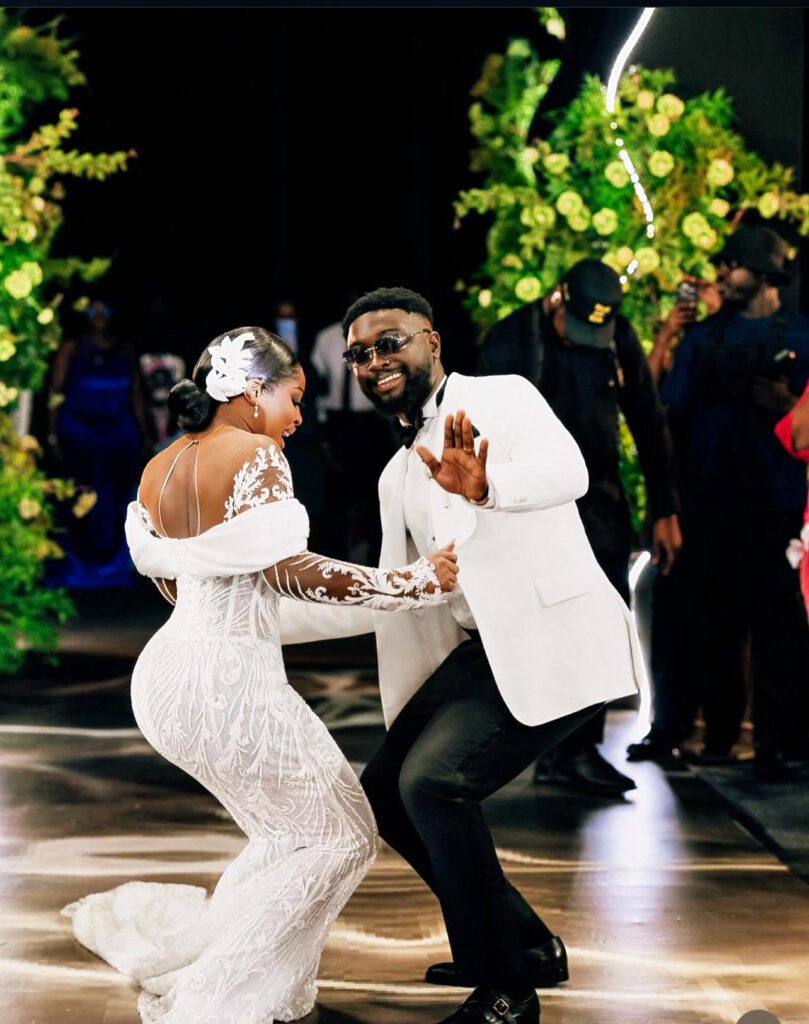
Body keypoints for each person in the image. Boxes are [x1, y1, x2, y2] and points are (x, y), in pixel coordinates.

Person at [61, 326, 459, 1024]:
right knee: (342, 838)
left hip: (167, 677)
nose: (299, 415)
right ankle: (214, 997)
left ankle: (243, 983)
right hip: (229, 684)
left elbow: (181, 588)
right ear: (252, 390)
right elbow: (289, 570)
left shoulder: (159, 466)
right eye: (292, 397)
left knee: (288, 836)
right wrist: (410, 584)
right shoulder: (257, 454)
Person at [280, 287, 644, 1024]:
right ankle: (524, 944)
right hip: (480, 652)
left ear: (432, 341)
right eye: (358, 354)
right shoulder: (394, 474)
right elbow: (397, 593)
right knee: (385, 794)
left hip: (556, 638)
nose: (374, 361)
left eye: (389, 342)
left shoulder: (502, 396)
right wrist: (255, 623)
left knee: (435, 785)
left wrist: (487, 485)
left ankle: (506, 989)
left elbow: (569, 472)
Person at [477, 260, 681, 797]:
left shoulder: (617, 333)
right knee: (542, 631)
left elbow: (647, 416)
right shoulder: (510, 341)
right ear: (557, 298)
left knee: (599, 627)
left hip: (600, 505)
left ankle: (580, 750)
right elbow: (479, 435)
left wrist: (665, 509)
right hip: (533, 509)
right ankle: (545, 751)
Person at [659, 225, 809, 779]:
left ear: (765, 274)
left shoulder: (803, 334)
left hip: (778, 504)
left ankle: (779, 743)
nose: (721, 273)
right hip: (711, 503)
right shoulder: (703, 337)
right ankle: (720, 735)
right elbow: (672, 411)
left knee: (780, 626)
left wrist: (788, 402)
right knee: (717, 623)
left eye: (732, 264)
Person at [45, 299, 153, 588]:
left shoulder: (125, 349)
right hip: (80, 432)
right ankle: (79, 568)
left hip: (118, 433)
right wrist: (52, 434)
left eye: (105, 310)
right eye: (94, 310)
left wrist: (144, 434)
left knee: (116, 498)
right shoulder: (71, 348)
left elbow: (135, 394)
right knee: (81, 497)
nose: (99, 316)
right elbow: (55, 391)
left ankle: (114, 569)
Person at [310, 306, 395, 561]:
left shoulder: (381, 336)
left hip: (372, 421)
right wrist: (322, 422)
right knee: (336, 496)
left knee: (375, 495)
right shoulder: (326, 337)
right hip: (337, 422)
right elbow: (315, 379)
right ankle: (335, 559)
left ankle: (377, 558)